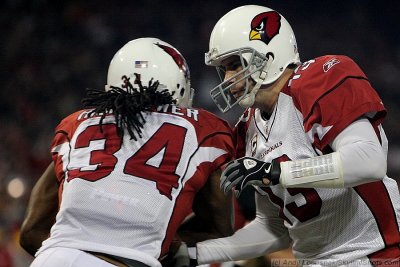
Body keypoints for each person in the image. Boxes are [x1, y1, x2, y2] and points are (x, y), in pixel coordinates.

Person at [190, 5, 400, 267]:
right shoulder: (249, 132)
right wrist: (196, 255)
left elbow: (369, 161)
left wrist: (276, 172)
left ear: (268, 55)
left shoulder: (319, 79)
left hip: (374, 256)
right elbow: (272, 230)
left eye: (235, 65)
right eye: (223, 70)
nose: (228, 79)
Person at [19, 37, 235, 267]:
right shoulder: (205, 130)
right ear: (178, 87)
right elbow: (219, 232)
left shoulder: (77, 125)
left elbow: (30, 232)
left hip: (53, 258)